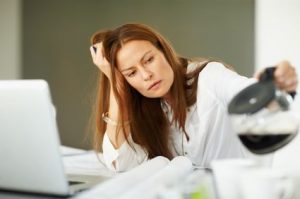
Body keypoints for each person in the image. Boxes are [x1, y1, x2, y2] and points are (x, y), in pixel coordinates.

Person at [89, 23, 298, 172]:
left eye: (149, 60)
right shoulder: (142, 106)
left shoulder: (209, 76)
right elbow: (123, 163)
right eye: (131, 73)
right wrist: (114, 81)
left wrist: (277, 84)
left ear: (164, 51)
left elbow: (249, 93)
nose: (146, 75)